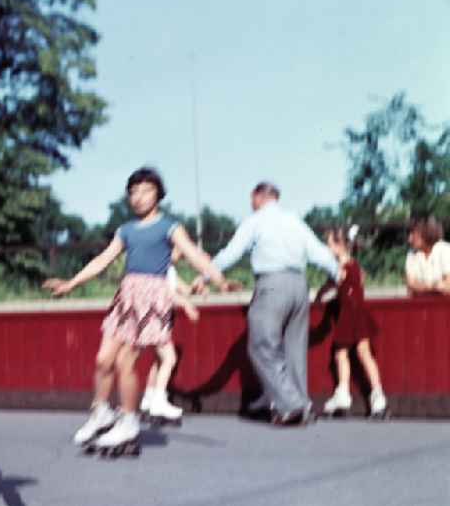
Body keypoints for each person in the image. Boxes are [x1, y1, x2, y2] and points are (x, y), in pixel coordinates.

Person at [44, 167, 228, 453]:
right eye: (133, 192)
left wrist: (219, 280)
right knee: (103, 360)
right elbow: (103, 259)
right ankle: (101, 412)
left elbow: (193, 254)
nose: (139, 197)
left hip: (151, 299)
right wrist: (72, 283)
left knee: (125, 362)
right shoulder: (126, 230)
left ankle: (129, 420)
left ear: (158, 195)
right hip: (126, 296)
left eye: (146, 191)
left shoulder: (169, 227)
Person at [192, 182, 339, 425]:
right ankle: (300, 404)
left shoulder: (255, 221)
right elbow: (320, 254)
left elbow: (232, 252)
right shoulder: (294, 220)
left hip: (271, 284)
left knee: (261, 344)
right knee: (294, 349)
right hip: (299, 285)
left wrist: (205, 274)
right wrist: (336, 275)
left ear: (257, 197)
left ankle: (292, 404)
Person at [315, 226, 387, 418]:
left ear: (339, 246)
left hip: (350, 316)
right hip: (353, 315)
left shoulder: (344, 269)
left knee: (351, 354)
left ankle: (370, 394)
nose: (327, 247)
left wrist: (325, 294)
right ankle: (355, 393)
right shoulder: (352, 267)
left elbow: (333, 290)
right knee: (353, 353)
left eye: (329, 244)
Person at [139, 256, 200, 419]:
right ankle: (158, 401)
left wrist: (197, 286)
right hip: (155, 317)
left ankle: (148, 398)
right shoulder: (158, 267)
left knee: (159, 360)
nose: (180, 255)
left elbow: (184, 290)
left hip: (163, 318)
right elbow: (167, 293)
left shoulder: (170, 270)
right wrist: (186, 305)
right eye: (178, 250)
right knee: (170, 358)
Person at [404, 216, 450, 296]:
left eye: (413, 233)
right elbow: (410, 285)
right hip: (420, 305)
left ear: (427, 232)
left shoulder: (445, 250)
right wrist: (434, 286)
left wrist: (420, 287)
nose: (409, 239)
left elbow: (447, 286)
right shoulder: (411, 254)